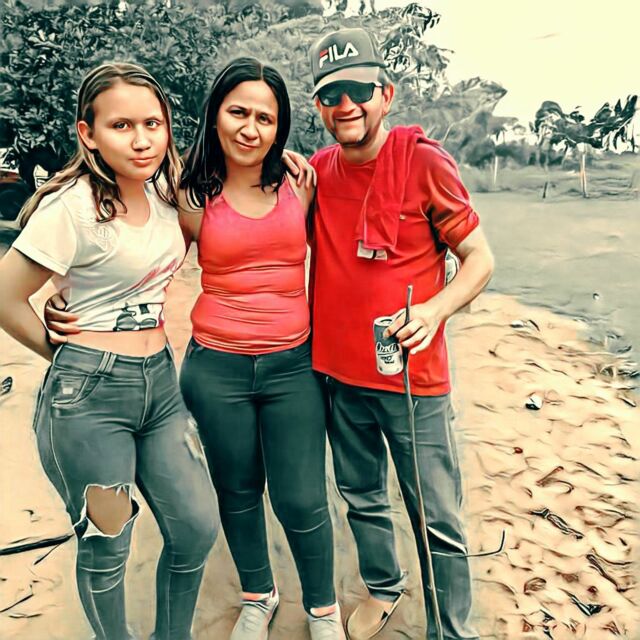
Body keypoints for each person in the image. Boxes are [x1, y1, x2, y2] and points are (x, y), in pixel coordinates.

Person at [0, 62, 220, 640]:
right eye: (121, 126)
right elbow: (5, 296)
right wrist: (61, 351)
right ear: (88, 134)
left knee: (195, 527)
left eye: (153, 124)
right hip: (90, 400)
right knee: (107, 542)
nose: (141, 139)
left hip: (161, 388)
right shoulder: (71, 208)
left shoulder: (166, 196)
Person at [306, 29, 495, 640]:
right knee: (361, 497)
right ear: (318, 106)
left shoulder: (424, 163)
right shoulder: (317, 173)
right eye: (331, 95)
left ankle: (451, 629)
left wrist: (435, 310)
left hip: (413, 380)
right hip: (338, 376)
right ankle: (384, 586)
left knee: (435, 517)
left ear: (385, 94)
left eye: (359, 91)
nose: (346, 106)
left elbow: (479, 259)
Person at [177, 57, 344, 640]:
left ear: (280, 127)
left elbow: (340, 253)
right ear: (215, 115)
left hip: (292, 368)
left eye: (265, 118)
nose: (250, 129)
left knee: (301, 498)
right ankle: (259, 596)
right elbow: (143, 261)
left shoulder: (300, 184)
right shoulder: (189, 196)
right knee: (238, 491)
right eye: (238, 112)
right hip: (215, 369)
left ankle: (323, 609)